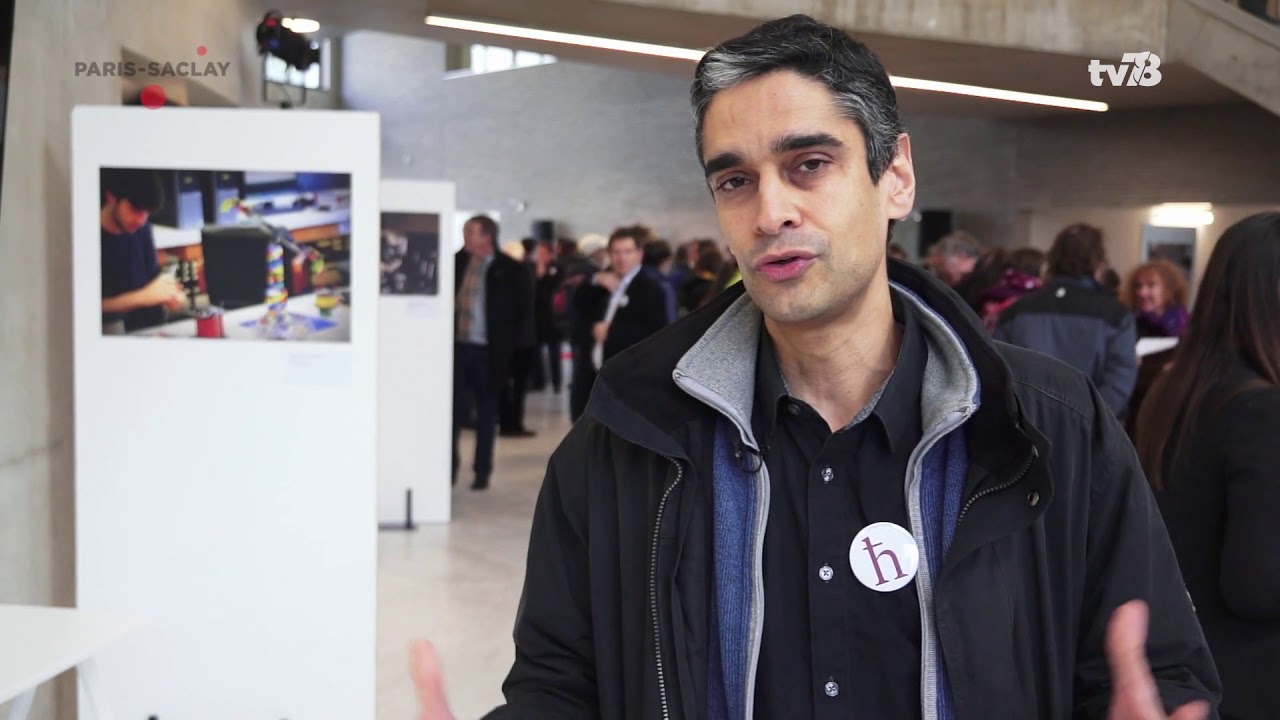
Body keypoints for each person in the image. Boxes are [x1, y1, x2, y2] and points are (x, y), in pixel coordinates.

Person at [415, 15, 1219, 720]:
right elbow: (561, 686)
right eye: (735, 179)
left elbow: (1157, 668)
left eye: (809, 164)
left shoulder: (1050, 428)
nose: (770, 212)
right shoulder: (624, 441)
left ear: (895, 176)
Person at [1134, 212, 1280, 720]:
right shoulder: (1260, 409)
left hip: (1189, 670)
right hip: (1252, 682)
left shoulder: (1173, 391)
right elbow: (1257, 585)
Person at [994, 223, 1138, 418]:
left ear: (1051, 260)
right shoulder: (1116, 315)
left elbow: (999, 372)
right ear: (1099, 263)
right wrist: (1090, 422)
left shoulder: (1015, 311)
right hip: (1090, 432)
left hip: (1027, 426)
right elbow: (1119, 381)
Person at [452, 215, 533, 490]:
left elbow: (523, 314)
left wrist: (516, 355)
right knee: (454, 411)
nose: (465, 236)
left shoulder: (511, 270)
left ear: (487, 236)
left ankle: (482, 470)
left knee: (487, 413)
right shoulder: (456, 263)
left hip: (490, 353)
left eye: (470, 232)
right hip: (459, 349)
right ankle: (449, 468)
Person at [100, 168, 187, 334]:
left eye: (146, 212)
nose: (141, 219)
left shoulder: (142, 229)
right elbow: (88, 305)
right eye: (135, 209)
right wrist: (144, 297)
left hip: (151, 328)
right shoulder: (91, 237)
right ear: (111, 197)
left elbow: (152, 279)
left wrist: (172, 294)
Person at [591, 226, 670, 368]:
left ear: (639, 254)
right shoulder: (604, 282)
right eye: (616, 252)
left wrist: (610, 331)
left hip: (630, 367)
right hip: (602, 367)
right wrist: (595, 279)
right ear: (609, 255)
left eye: (628, 252)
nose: (622, 258)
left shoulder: (651, 288)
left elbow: (656, 333)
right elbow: (580, 303)